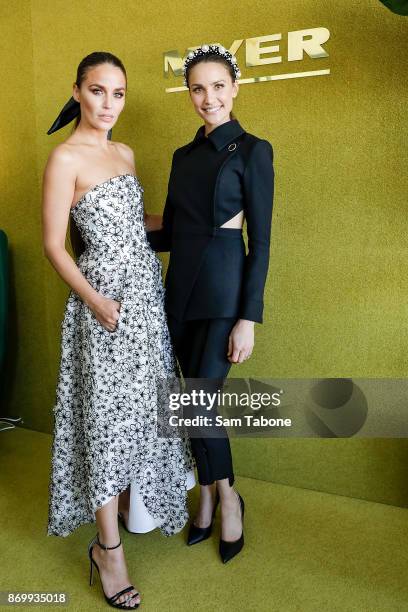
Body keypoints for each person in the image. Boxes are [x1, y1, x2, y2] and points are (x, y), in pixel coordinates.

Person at [43, 51, 194, 609]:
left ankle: (132, 511)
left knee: (145, 412)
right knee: (104, 421)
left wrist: (193, 218)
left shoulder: (125, 153)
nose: (109, 104)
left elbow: (135, 225)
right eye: (99, 91)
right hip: (101, 306)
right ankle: (108, 550)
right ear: (78, 91)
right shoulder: (65, 158)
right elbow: (55, 245)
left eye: (119, 93)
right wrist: (96, 301)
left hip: (146, 303)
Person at [146, 44, 275, 564]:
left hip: (225, 292)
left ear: (235, 88)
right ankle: (206, 495)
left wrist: (248, 317)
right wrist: (114, 224)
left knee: (199, 405)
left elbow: (260, 241)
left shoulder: (252, 150)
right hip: (179, 293)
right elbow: (175, 231)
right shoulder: (183, 157)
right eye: (198, 88)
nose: (208, 97)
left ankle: (226, 499)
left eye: (218, 86)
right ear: (189, 93)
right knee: (187, 406)